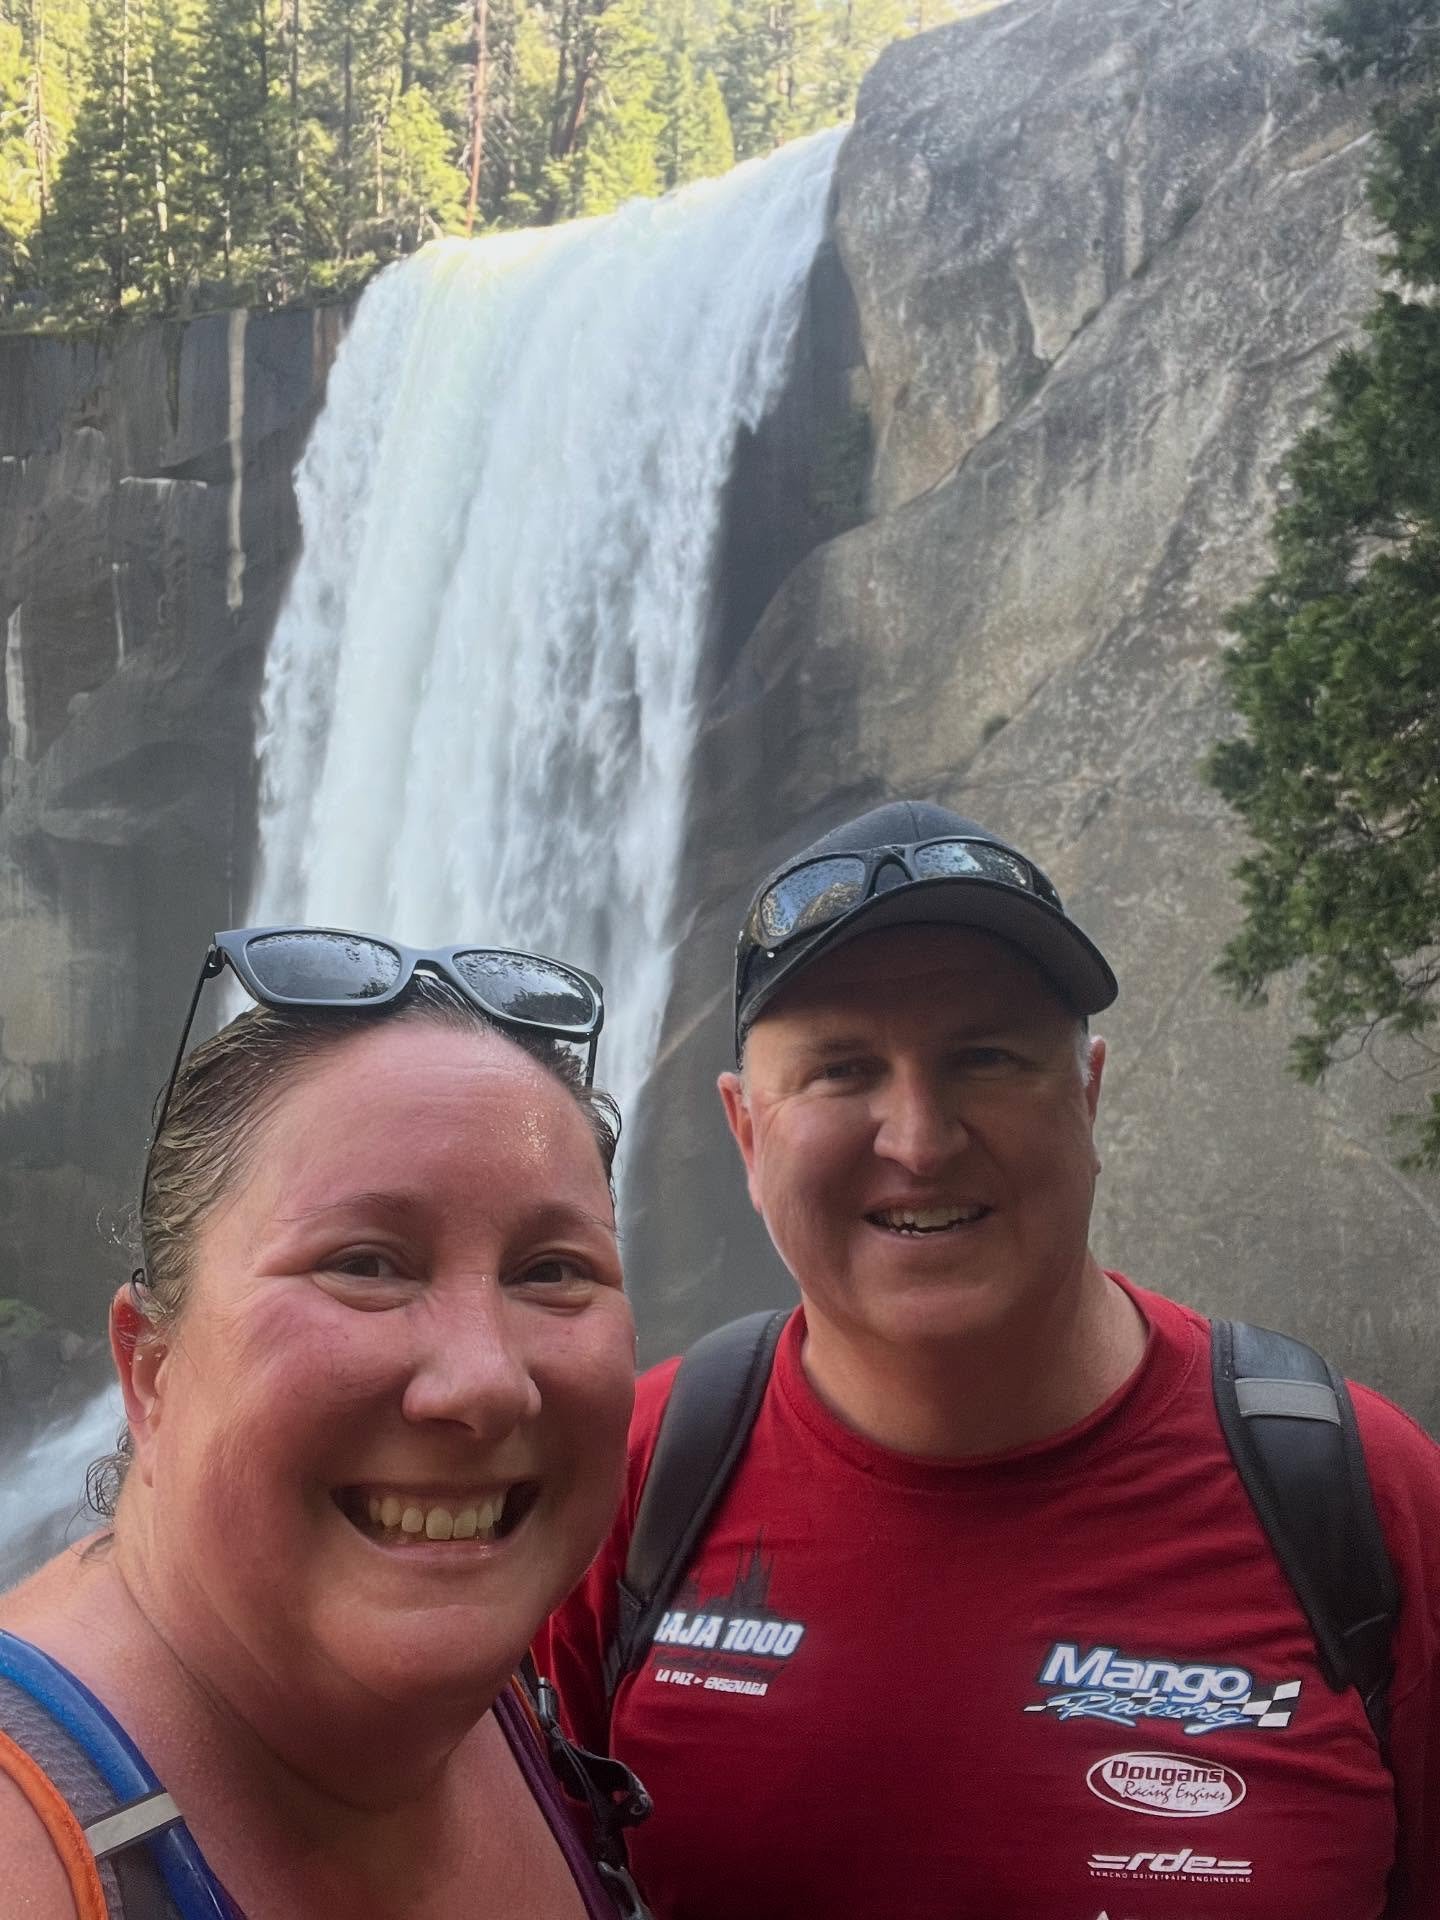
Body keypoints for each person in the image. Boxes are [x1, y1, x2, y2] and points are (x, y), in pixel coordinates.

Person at [539, 800, 1440, 1920]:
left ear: (1090, 1093)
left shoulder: (1361, 1501)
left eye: (987, 1057)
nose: (919, 1138)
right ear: (746, 1132)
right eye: (841, 1069)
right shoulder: (626, 1481)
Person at [0, 927, 641, 1919]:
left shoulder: (507, 1687)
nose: (482, 1383)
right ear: (150, 1370)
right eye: (365, 1265)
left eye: (552, 1270)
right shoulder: (31, 1851)